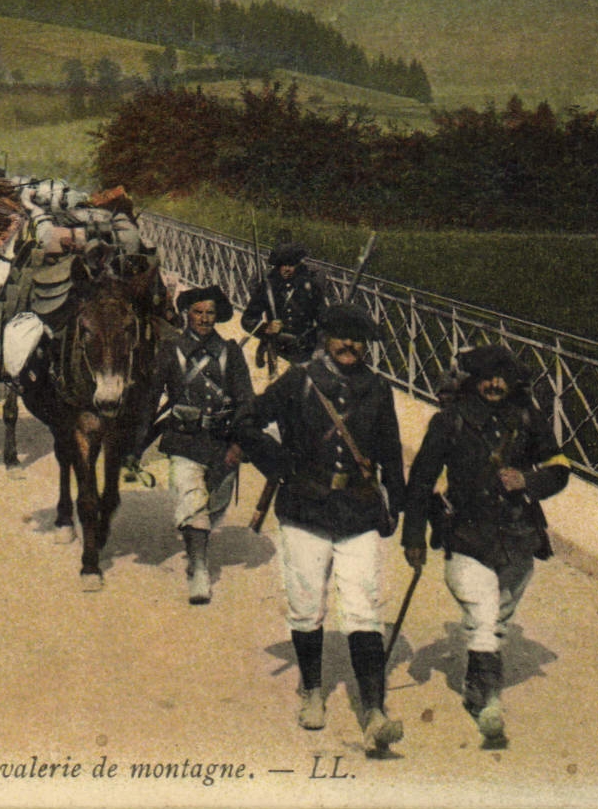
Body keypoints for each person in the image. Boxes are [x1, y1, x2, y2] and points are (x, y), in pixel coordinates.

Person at [239, 303, 406, 754]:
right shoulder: (299, 379)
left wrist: (398, 506)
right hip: (304, 508)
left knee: (364, 606)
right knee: (307, 603)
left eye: (358, 337)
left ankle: (373, 710)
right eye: (341, 336)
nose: (349, 345)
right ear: (325, 338)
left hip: (359, 511)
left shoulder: (378, 388)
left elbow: (390, 448)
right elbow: (247, 421)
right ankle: (312, 690)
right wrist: (277, 462)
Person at [401, 344, 572, 748]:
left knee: (497, 621)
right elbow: (421, 481)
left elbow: (560, 468)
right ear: (473, 379)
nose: (495, 384)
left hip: (517, 537)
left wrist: (529, 482)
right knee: (484, 616)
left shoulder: (528, 418)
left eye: (503, 377)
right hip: (466, 535)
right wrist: (413, 537)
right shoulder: (450, 422)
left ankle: (476, 688)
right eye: (487, 377)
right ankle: (490, 704)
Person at [130, 285, 253, 605]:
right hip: (184, 440)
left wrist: (240, 441)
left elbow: (246, 402)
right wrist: (136, 446)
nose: (204, 318)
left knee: (214, 506)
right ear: (187, 314)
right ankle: (198, 569)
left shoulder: (230, 353)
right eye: (198, 312)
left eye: (210, 313)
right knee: (192, 499)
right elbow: (150, 401)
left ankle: (198, 541)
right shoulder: (170, 351)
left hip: (222, 442)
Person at [240, 241, 327, 375]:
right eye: (283, 265)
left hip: (303, 349)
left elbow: (323, 319)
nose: (287, 269)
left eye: (291, 264)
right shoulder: (268, 287)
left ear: (298, 265)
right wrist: (265, 329)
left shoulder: (309, 287)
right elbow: (248, 319)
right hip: (277, 349)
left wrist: (319, 347)